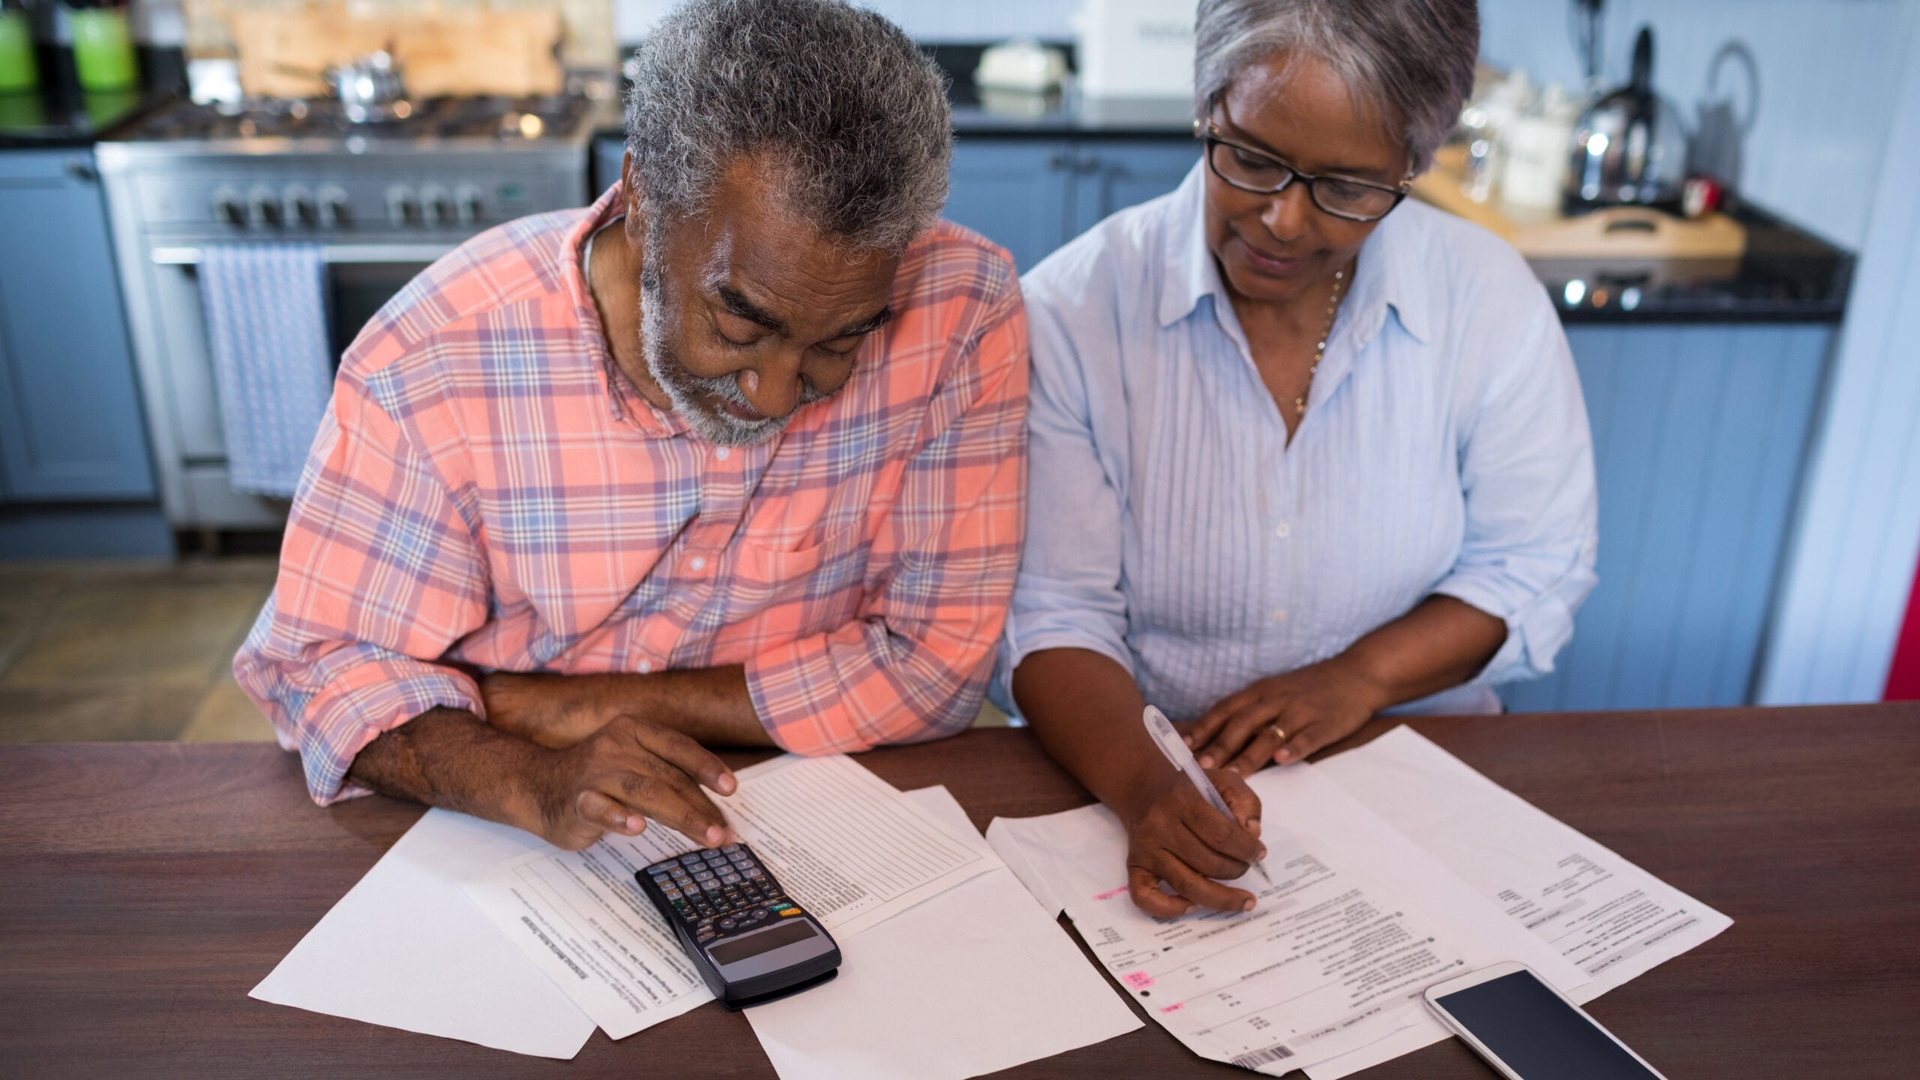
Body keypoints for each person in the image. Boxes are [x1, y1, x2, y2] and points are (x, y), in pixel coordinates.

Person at [235, 0, 1028, 853]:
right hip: (499, 827)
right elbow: (321, 670)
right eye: (739, 322)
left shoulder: (961, 308)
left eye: (840, 341)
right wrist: (528, 775)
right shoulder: (436, 354)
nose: (771, 396)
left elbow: (938, 666)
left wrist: (555, 707)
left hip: (811, 815)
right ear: (642, 201)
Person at [995, 0, 1597, 919]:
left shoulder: (1486, 298)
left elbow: (1533, 564)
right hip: (1156, 774)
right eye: (1250, 158)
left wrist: (1360, 679)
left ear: (1413, 163)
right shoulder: (1075, 313)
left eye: (1348, 189)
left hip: (1423, 772)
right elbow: (1053, 614)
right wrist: (1150, 785)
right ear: (1208, 106)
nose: (1280, 220)